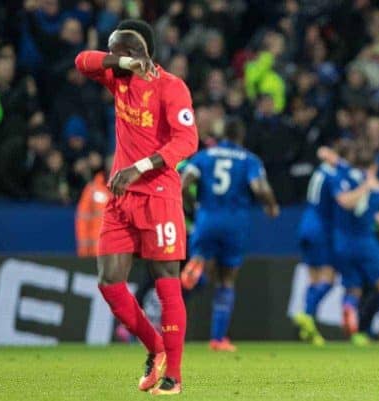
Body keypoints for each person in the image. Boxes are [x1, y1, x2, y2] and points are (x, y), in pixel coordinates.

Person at [75, 19, 199, 395]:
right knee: (110, 282)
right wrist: (123, 65)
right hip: (121, 199)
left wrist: (139, 167)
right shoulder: (119, 79)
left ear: (138, 50)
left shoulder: (171, 88)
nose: (111, 56)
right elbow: (82, 60)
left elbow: (187, 141)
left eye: (119, 50)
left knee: (166, 285)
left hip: (159, 196)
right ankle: (155, 346)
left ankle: (173, 376)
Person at [180, 117, 279, 352]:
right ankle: (217, 339)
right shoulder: (249, 159)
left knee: (203, 263)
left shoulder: (205, 156)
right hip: (235, 223)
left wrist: (193, 206)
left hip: (206, 220)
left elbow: (183, 183)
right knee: (226, 279)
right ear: (241, 137)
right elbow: (259, 188)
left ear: (223, 135)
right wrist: (272, 206)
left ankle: (197, 269)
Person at [330, 143, 379, 346]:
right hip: (365, 241)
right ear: (374, 167)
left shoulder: (342, 178)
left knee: (353, 288)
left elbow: (343, 203)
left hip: (342, 242)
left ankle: (350, 312)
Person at [294, 139, 355, 346]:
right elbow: (343, 200)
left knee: (314, 279)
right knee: (328, 279)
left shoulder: (319, 171)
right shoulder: (332, 174)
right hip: (321, 229)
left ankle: (309, 329)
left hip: (306, 224)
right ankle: (306, 313)